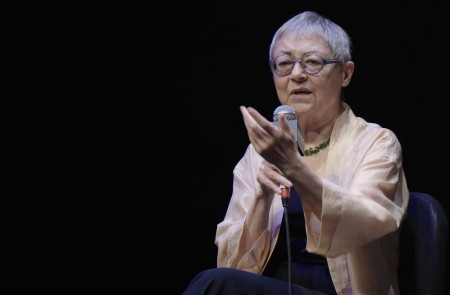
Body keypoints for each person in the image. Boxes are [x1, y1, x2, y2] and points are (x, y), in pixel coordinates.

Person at [181, 10, 409, 295]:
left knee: (214, 285)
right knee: (216, 280)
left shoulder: (376, 143)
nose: (297, 74)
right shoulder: (259, 153)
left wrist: (295, 169)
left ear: (345, 73)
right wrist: (262, 201)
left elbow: (364, 226)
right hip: (275, 286)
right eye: (285, 63)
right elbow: (231, 266)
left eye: (313, 62)